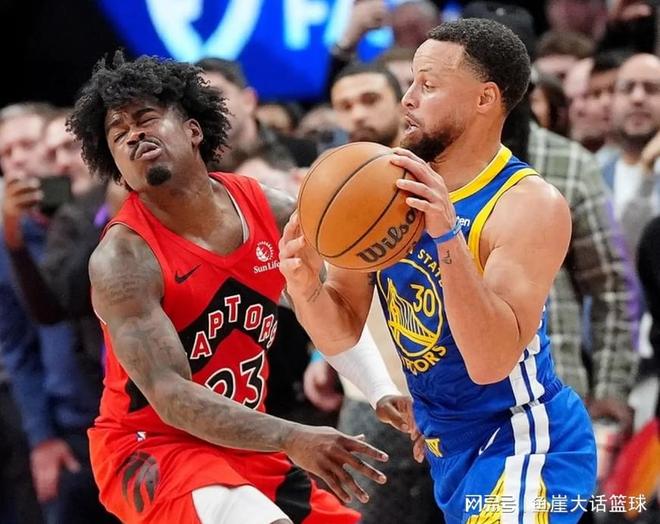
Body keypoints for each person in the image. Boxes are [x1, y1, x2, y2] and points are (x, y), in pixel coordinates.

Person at [68, 51, 409, 524]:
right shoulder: (123, 259)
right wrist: (291, 435)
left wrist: (379, 389)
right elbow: (170, 395)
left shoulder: (269, 209)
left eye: (145, 118)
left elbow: (324, 314)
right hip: (154, 450)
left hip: (244, 440)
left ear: (193, 129)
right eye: (118, 133)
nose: (133, 135)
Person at [280, 18, 597, 522]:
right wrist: (304, 288)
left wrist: (447, 238)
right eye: (410, 82)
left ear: (485, 98)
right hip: (446, 445)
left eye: (427, 85)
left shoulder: (527, 204)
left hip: (523, 438)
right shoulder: (382, 185)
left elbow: (490, 363)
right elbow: (341, 331)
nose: (407, 99)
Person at [304, 61, 441, 524]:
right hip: (371, 399)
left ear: (401, 102)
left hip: (453, 395)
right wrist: (320, 354)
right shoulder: (326, 186)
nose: (357, 114)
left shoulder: (440, 175)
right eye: (345, 106)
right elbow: (324, 285)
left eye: (369, 100)